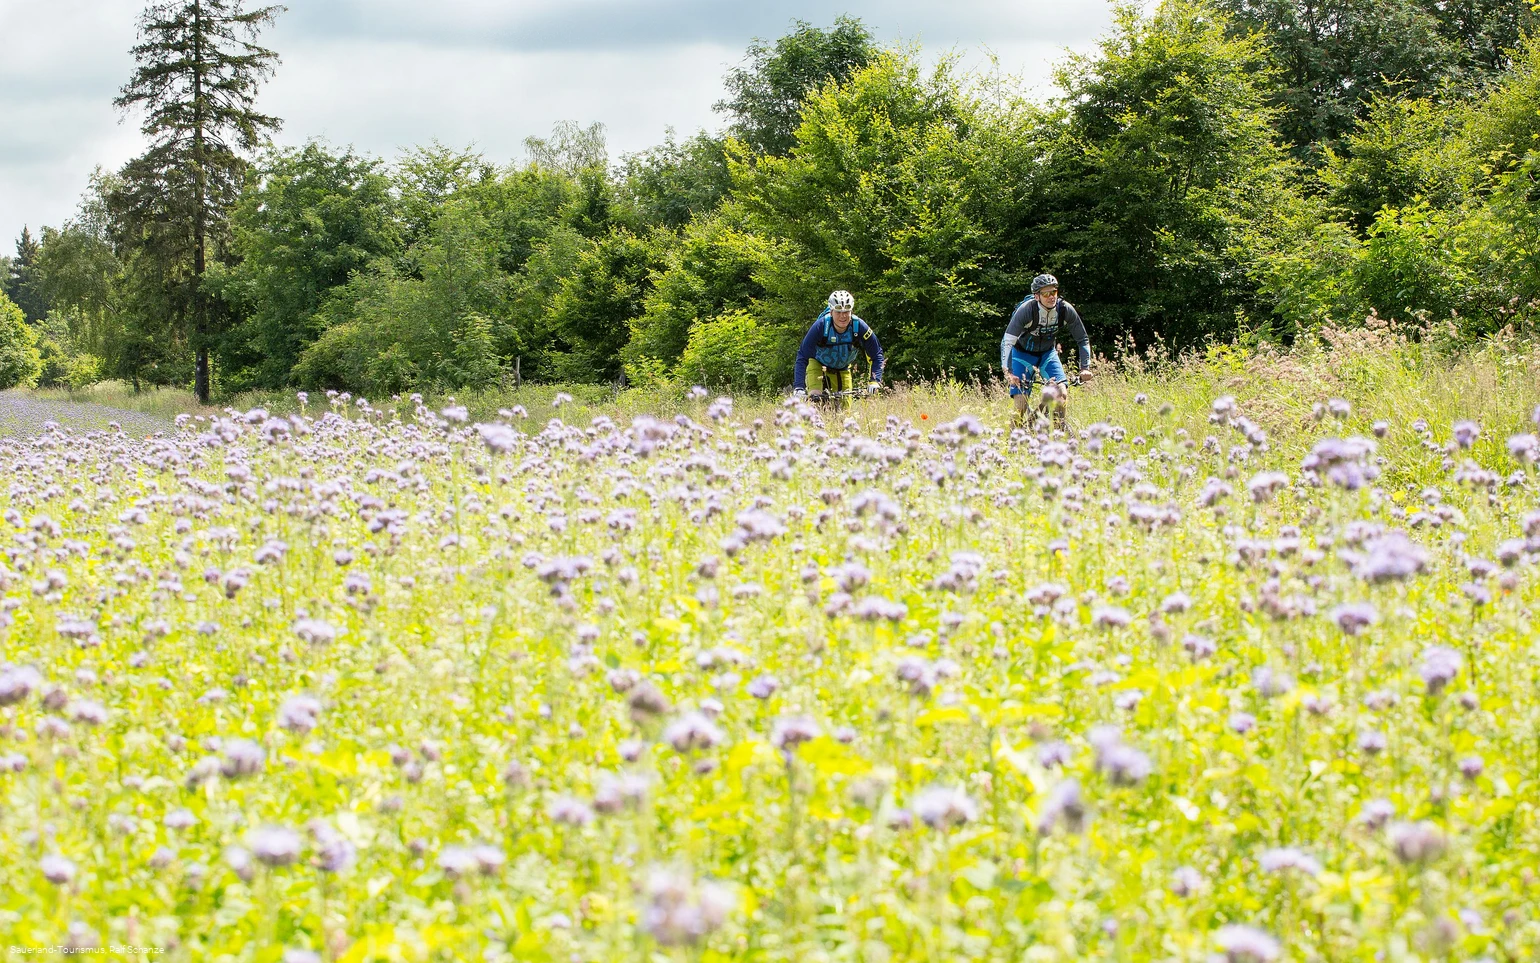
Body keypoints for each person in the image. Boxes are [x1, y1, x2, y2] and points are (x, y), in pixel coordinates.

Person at [1000, 273, 1092, 429]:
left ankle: (1054, 437)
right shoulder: (1026, 310)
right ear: (1037, 296)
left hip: (1047, 354)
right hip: (1021, 355)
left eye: (1054, 292)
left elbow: (1082, 338)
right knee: (1020, 406)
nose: (1051, 297)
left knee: (1061, 394)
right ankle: (1013, 443)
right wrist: (1008, 372)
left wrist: (1085, 368)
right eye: (1046, 293)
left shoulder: (1064, 309)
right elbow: (1007, 341)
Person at [792, 290, 885, 401]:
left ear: (851, 311)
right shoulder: (820, 326)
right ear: (831, 312)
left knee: (844, 413)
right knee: (815, 400)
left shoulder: (859, 327)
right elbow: (803, 355)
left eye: (846, 311)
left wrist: (875, 381)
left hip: (843, 368)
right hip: (817, 364)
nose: (843, 316)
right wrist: (799, 387)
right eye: (838, 312)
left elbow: (877, 354)